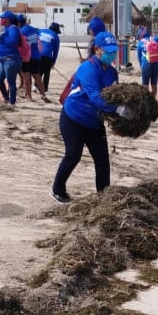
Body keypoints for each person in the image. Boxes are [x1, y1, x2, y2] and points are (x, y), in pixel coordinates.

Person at [51, 31, 126, 203]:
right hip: (74, 118)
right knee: (73, 155)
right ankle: (57, 189)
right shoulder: (87, 68)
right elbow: (97, 98)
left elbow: (113, 95)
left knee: (102, 160)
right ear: (97, 49)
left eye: (114, 50)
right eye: (108, 51)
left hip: (94, 121)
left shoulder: (112, 73)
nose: (112, 54)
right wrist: (118, 109)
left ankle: (104, 196)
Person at [0, 11, 22, 106]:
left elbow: (12, 42)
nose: (1, 20)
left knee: (11, 81)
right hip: (2, 59)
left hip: (11, 59)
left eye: (2, 18)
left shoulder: (13, 29)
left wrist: (3, 36)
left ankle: (12, 102)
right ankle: (6, 98)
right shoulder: (5, 29)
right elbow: (1, 43)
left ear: (8, 20)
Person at [18, 15, 44, 101]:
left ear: (18, 23)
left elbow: (21, 45)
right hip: (36, 55)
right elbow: (38, 41)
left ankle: (29, 96)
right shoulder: (34, 30)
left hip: (26, 57)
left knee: (26, 76)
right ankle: (43, 94)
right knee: (36, 76)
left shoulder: (20, 31)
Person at [36, 22, 61, 104]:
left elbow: (32, 40)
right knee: (46, 73)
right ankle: (45, 89)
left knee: (38, 71)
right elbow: (56, 51)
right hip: (47, 56)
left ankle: (35, 86)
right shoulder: (56, 37)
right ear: (56, 30)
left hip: (38, 54)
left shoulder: (40, 31)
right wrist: (53, 62)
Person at [136, 31, 158, 97]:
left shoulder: (140, 44)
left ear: (141, 37)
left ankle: (147, 102)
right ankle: (153, 100)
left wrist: (141, 66)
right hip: (156, 65)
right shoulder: (155, 39)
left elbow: (138, 57)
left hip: (146, 65)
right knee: (154, 84)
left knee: (145, 84)